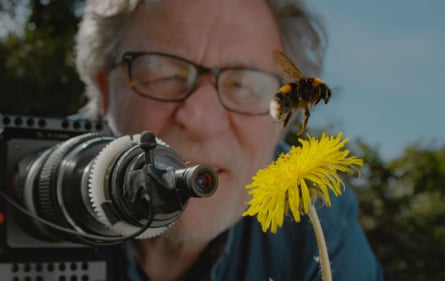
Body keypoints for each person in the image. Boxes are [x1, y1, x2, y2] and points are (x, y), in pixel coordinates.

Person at [75, 0, 384, 280]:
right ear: (105, 92)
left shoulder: (318, 220)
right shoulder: (31, 174)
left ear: (282, 122)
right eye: (163, 72)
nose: (201, 121)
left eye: (245, 85)